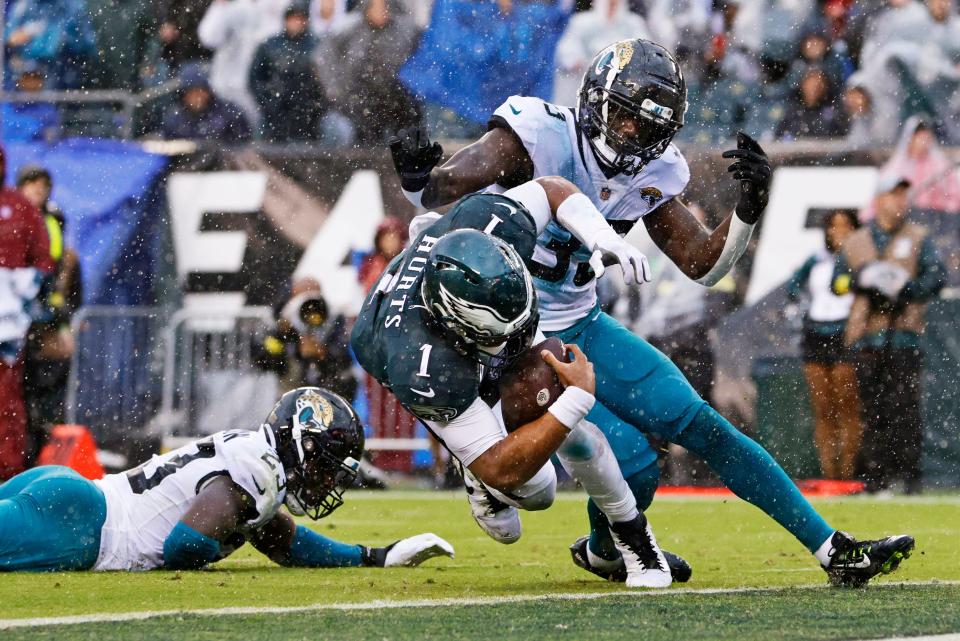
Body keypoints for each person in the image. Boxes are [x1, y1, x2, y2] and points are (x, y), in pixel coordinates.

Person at [389, 38, 915, 587]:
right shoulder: (541, 132)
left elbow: (702, 265)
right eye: (623, 117)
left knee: (703, 425)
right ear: (594, 99)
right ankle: (564, 518)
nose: (632, 135)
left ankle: (832, 551)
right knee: (636, 462)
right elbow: (449, 185)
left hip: (582, 321)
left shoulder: (654, 171)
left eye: (648, 126)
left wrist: (747, 211)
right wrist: (421, 179)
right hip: (514, 336)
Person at [352, 176, 692, 588]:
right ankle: (470, 465)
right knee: (538, 491)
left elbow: (552, 188)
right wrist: (576, 401)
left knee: (571, 416)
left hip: (459, 308)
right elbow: (502, 466)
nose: (517, 340)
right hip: (420, 353)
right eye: (503, 334)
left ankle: (636, 539)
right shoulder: (420, 364)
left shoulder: (487, 219)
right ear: (459, 324)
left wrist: (602, 236)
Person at [0, 386, 454, 572]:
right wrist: (228, 538)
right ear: (303, 444)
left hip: (73, 501)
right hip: (80, 527)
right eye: (326, 464)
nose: (327, 480)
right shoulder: (255, 472)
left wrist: (375, 556)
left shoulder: (257, 461)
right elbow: (184, 545)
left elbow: (286, 543)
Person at [833, 176, 946, 494]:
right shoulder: (856, 241)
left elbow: (936, 277)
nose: (901, 202)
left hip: (903, 334)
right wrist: (859, 284)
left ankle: (908, 478)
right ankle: (874, 477)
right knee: (871, 410)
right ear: (879, 200)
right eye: (894, 195)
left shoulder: (918, 237)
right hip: (866, 336)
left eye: (903, 196)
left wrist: (909, 290)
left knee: (905, 409)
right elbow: (836, 281)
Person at [787, 210, 862, 480]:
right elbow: (793, 286)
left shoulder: (859, 259)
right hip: (816, 332)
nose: (838, 232)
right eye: (834, 226)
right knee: (822, 407)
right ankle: (829, 474)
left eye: (845, 226)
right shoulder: (816, 259)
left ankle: (848, 472)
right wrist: (804, 306)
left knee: (847, 405)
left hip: (846, 332)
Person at [16, 165, 80, 464]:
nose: (37, 192)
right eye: (32, 185)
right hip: (20, 317)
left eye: (43, 186)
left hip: (42, 319)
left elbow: (60, 276)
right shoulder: (14, 218)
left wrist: (59, 316)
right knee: (19, 396)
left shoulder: (53, 221)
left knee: (42, 396)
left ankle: (35, 455)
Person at [0, 145, 55, 481]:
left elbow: (43, 259)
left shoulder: (19, 208)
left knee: (8, 402)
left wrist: (26, 296)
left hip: (7, 329)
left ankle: (8, 472)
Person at [316, 0, 422, 146]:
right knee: (362, 143)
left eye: (383, 6)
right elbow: (323, 56)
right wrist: (335, 87)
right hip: (360, 99)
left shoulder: (405, 31)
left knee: (404, 140)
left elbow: (420, 55)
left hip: (397, 98)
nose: (379, 12)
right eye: (374, 7)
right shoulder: (351, 29)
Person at [249, 2, 327, 142]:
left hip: (307, 112)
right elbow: (255, 78)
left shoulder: (317, 45)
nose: (296, 23)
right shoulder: (269, 45)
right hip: (275, 111)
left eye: (300, 19)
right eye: (293, 18)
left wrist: (315, 105)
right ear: (285, 20)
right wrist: (268, 101)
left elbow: (324, 80)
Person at [876, 117, 960, 214]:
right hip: (905, 217)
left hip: (937, 217)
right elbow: (881, 198)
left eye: (927, 138)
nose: (924, 143)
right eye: (920, 138)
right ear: (911, 139)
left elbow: (955, 197)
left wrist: (946, 211)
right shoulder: (895, 167)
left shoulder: (941, 166)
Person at [160, 63, 252, 142]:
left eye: (201, 90)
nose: (197, 97)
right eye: (191, 92)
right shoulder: (174, 118)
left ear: (208, 92)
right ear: (184, 94)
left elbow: (243, 143)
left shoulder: (228, 113)